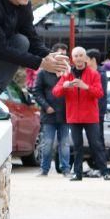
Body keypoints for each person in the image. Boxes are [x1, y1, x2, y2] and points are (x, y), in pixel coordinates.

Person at [53, 47, 110, 181]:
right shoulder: (68, 74)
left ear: (85, 58)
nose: (78, 58)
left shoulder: (94, 74)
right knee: (77, 146)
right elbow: (56, 92)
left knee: (96, 144)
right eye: (76, 56)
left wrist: (86, 87)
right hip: (74, 116)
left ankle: (105, 171)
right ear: (72, 59)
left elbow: (100, 93)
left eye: (81, 55)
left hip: (90, 116)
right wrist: (65, 86)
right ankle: (77, 174)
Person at [32, 43, 71, 177]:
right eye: (61, 55)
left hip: (65, 114)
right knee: (47, 143)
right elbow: (36, 91)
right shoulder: (43, 73)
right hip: (49, 114)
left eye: (65, 56)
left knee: (65, 143)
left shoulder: (69, 72)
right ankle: (44, 169)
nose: (63, 59)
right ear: (53, 55)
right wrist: (46, 106)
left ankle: (66, 170)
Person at [86, 48, 110, 175]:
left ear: (93, 60)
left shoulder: (100, 74)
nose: (84, 62)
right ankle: (96, 166)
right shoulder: (91, 72)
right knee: (93, 140)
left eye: (86, 59)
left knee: (98, 139)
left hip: (97, 112)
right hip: (91, 112)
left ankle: (101, 167)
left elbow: (99, 95)